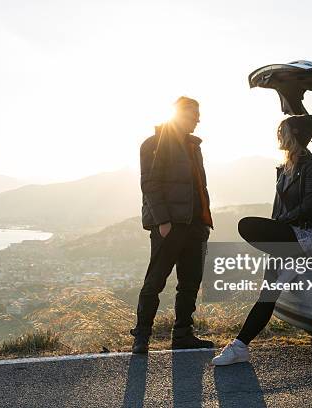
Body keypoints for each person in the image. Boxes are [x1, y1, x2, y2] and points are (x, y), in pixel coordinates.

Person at [212, 114, 312, 366]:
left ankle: (299, 260)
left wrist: (278, 226)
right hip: (287, 237)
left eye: (283, 131)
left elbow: (310, 206)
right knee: (268, 294)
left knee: (247, 225)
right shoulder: (284, 167)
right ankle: (240, 347)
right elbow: (278, 209)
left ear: (295, 134)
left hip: (309, 235)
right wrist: (275, 234)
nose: (279, 135)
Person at [131, 96, 214, 354]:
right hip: (170, 226)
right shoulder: (153, 144)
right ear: (179, 114)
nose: (198, 120)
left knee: (189, 282)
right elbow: (150, 184)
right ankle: (141, 337)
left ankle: (183, 335)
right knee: (155, 281)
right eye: (193, 115)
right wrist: (163, 221)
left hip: (195, 225)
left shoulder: (193, 146)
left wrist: (203, 221)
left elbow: (198, 185)